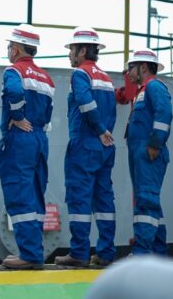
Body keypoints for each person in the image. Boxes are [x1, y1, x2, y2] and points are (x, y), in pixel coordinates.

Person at [54, 27, 117, 268]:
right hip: (105, 146)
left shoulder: (81, 74)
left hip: (85, 143)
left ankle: (79, 253)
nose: (69, 54)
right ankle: (105, 253)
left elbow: (85, 102)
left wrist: (98, 129)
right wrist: (104, 132)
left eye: (72, 49)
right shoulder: (106, 78)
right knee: (104, 200)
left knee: (79, 198)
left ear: (82, 51)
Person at [0, 25, 55, 270]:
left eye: (10, 46)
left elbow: (13, 91)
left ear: (18, 48)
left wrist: (18, 115)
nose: (8, 50)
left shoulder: (14, 71)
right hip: (40, 137)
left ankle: (29, 254)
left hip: (20, 138)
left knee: (19, 193)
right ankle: (35, 251)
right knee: (36, 193)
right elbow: (49, 111)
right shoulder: (46, 78)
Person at [124, 48, 171, 255]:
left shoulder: (154, 86)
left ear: (143, 67)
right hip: (140, 152)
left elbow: (165, 113)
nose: (128, 73)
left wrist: (155, 144)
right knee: (150, 203)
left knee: (146, 202)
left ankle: (142, 254)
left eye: (131, 68)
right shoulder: (142, 91)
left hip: (148, 153)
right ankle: (159, 253)